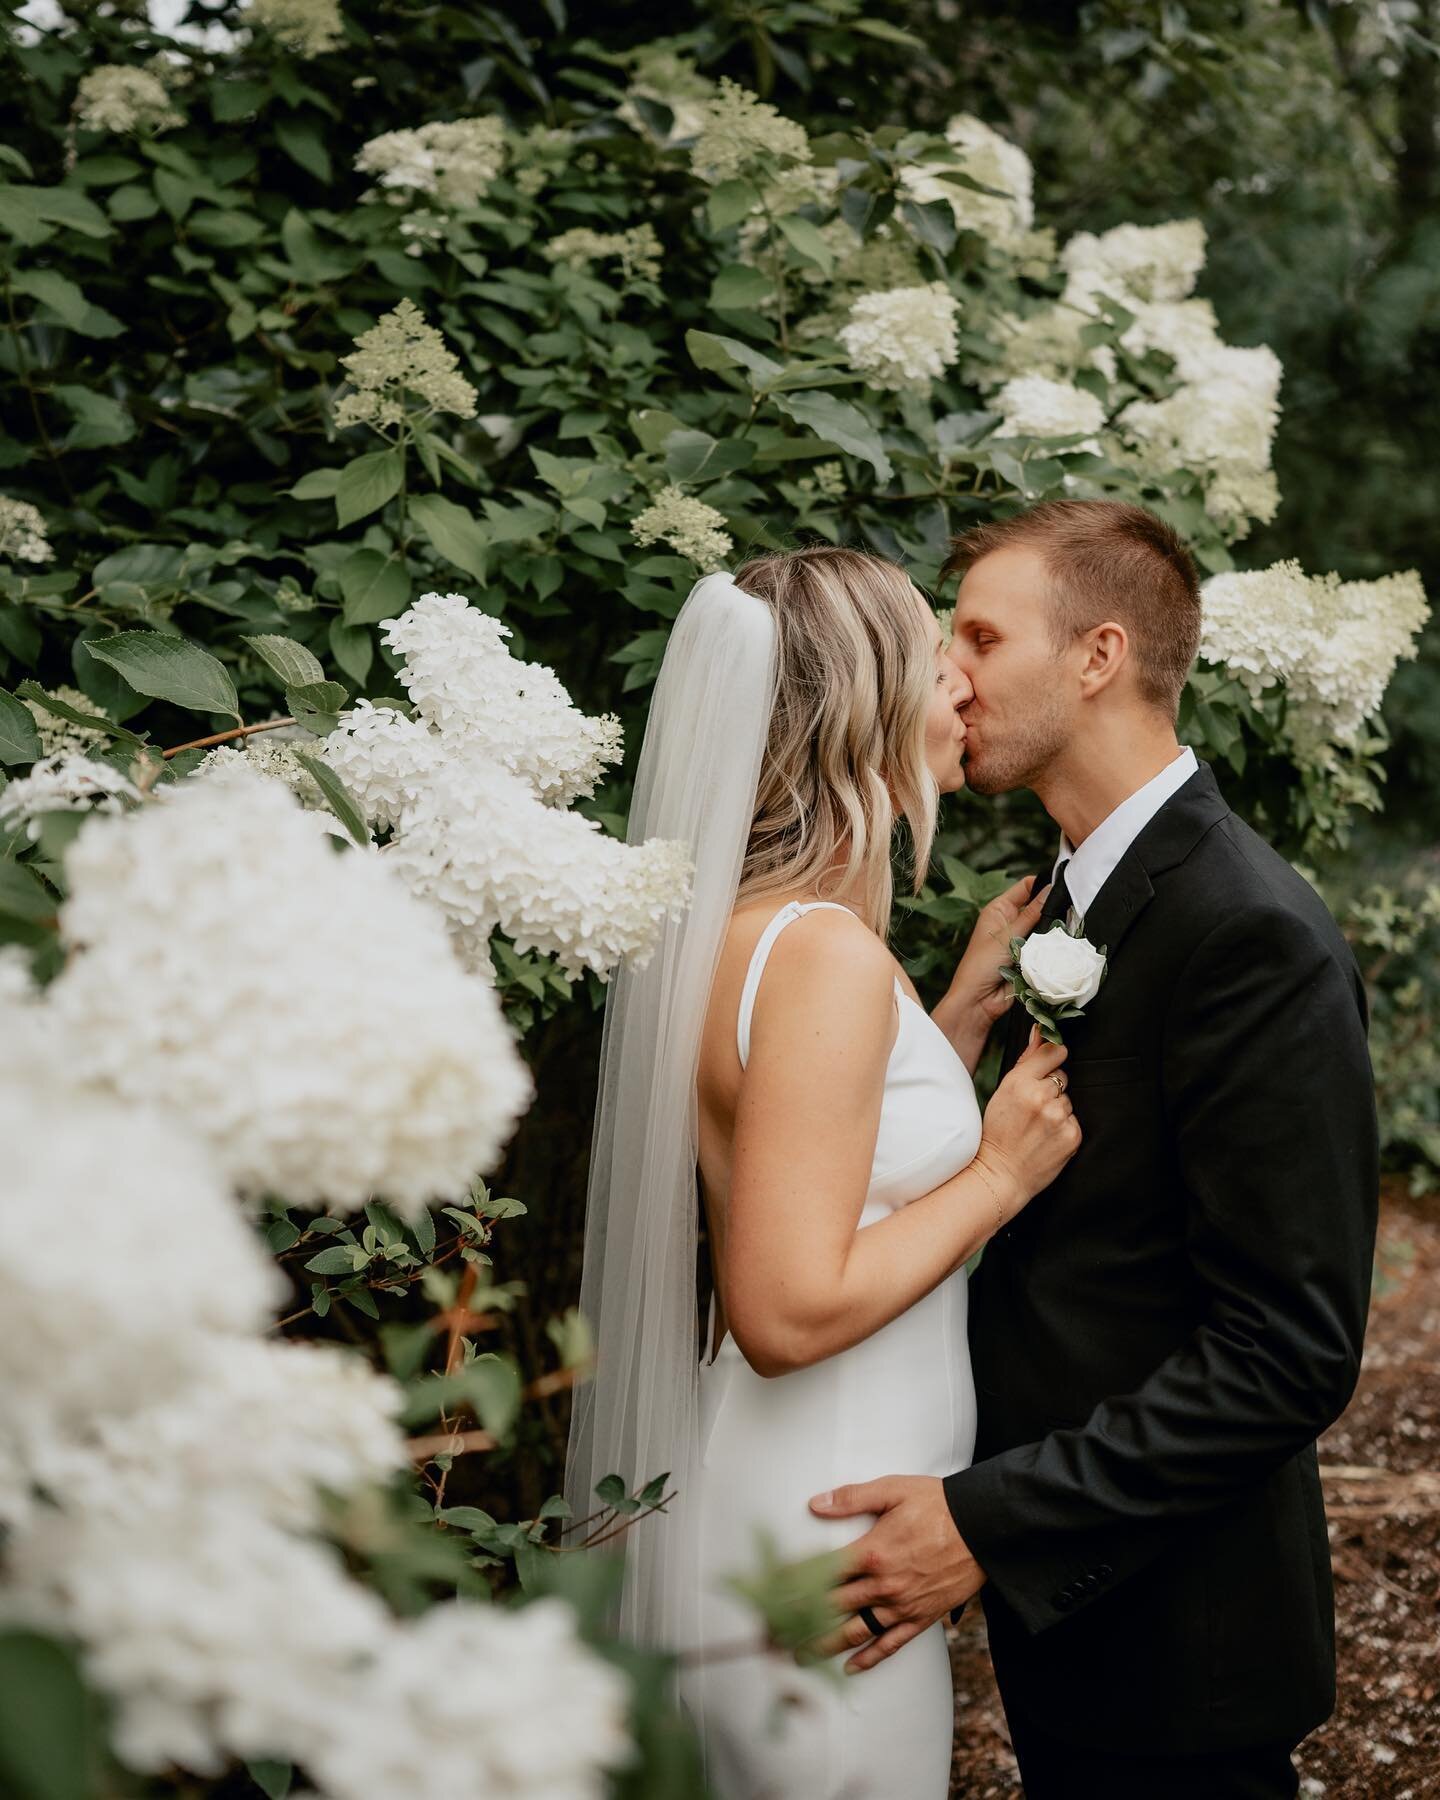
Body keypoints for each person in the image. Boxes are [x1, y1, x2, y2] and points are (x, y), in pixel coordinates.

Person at [806, 500, 1380, 1800]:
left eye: (982, 638)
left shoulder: (1252, 934)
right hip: (1076, 1622)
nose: (946, 676)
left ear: (1099, 657)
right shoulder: (1067, 901)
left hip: (1180, 1637)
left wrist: (985, 1522)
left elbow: (1286, 1352)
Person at [564, 544, 1079, 1798]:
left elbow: (823, 1159)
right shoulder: (821, 958)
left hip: (791, 1489)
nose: (961, 686)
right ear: (860, 703)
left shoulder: (760, 934)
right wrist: (998, 1176)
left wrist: (948, 1027)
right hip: (827, 1519)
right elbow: (788, 1308)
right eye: (931, 659)